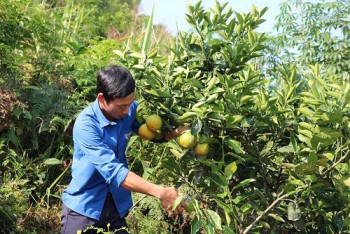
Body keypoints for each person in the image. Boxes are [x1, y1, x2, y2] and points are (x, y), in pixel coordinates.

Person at [61, 65, 187, 234]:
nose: (127, 111)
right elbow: (114, 172)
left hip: (115, 208)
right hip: (84, 209)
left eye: (129, 104)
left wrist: (183, 131)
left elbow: (152, 133)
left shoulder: (129, 110)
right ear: (102, 98)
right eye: (121, 106)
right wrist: (160, 192)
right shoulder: (86, 125)